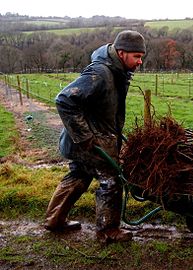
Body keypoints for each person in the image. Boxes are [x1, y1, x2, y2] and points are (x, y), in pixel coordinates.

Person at [44, 30, 146, 242]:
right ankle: (107, 231)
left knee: (78, 176)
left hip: (93, 139)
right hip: (89, 142)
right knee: (111, 180)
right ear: (121, 52)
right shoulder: (100, 73)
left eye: (141, 56)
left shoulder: (117, 72)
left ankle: (54, 220)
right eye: (136, 56)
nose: (140, 61)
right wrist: (85, 137)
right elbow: (64, 100)